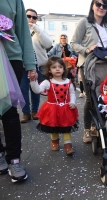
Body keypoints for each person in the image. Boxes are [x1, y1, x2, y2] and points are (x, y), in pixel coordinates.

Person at [0, 0, 38, 182]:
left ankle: (14, 159)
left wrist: (30, 64)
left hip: (10, 56)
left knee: (9, 111)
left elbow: (23, 30)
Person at [71, 0, 107, 144]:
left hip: (105, 64)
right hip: (88, 64)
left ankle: (101, 124)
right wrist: (86, 49)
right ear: (92, 6)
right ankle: (87, 128)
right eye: (98, 4)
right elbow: (73, 43)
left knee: (104, 94)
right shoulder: (84, 22)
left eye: (104, 5)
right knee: (91, 97)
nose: (101, 7)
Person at [30, 56, 78, 155]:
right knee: (53, 126)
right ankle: (54, 141)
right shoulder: (47, 82)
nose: (57, 69)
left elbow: (72, 93)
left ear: (64, 69)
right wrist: (33, 81)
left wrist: (72, 102)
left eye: (60, 67)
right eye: (54, 67)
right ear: (49, 70)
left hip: (66, 108)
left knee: (66, 127)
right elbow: (37, 90)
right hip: (52, 108)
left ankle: (68, 145)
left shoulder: (68, 82)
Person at [20, 8, 52, 123]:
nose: (31, 19)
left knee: (36, 90)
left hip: (39, 65)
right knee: (23, 90)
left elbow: (48, 44)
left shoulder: (40, 31)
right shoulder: (20, 30)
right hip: (23, 66)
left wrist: (36, 29)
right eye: (29, 16)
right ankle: (26, 112)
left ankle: (35, 111)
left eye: (34, 17)